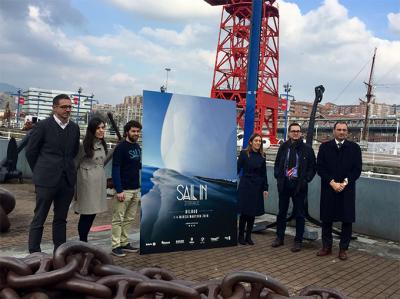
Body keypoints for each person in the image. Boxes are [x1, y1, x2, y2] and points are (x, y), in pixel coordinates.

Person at [26, 94, 80, 253]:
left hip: (67, 181)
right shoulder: (43, 126)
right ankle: (34, 252)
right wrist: (40, 171)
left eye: (69, 107)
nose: (67, 110)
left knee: (61, 219)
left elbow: (74, 152)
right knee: (39, 217)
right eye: (64, 107)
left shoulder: (74, 128)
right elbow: (31, 152)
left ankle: (60, 250)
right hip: (46, 180)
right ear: (54, 108)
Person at [316, 122, 362, 260]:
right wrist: (332, 182)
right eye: (339, 129)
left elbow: (357, 169)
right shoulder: (325, 147)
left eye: (344, 130)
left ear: (347, 132)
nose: (342, 132)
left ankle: (343, 249)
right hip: (329, 188)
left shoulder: (354, 148)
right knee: (326, 219)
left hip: (346, 189)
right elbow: (320, 168)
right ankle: (326, 247)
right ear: (334, 131)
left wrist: (345, 182)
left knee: (347, 220)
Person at [271, 123, 316, 252]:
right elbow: (278, 162)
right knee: (281, 213)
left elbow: (313, 167)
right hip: (285, 183)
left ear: (300, 133)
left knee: (300, 214)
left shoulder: (307, 149)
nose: (295, 133)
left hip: (299, 185)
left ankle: (298, 241)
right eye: (293, 131)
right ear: (289, 133)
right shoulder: (284, 147)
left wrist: (306, 180)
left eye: (298, 131)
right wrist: (277, 175)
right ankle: (279, 238)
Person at [74, 117, 108, 242]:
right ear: (92, 129)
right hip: (86, 183)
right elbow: (75, 164)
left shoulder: (102, 144)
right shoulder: (85, 145)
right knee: (86, 213)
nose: (101, 130)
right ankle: (83, 240)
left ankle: (84, 240)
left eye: (103, 128)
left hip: (98, 183)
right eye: (98, 128)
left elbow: (103, 161)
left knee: (92, 213)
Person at [111, 120, 142, 257]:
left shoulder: (137, 147)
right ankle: (115, 245)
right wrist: (119, 190)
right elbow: (115, 169)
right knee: (118, 219)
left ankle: (124, 242)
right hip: (124, 190)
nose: (136, 134)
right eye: (133, 131)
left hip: (136, 189)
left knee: (129, 218)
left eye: (137, 131)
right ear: (127, 132)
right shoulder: (121, 148)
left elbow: (137, 166)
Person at [237, 133, 268, 246]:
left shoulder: (263, 155)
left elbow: (264, 173)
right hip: (246, 185)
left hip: (257, 186)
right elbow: (237, 168)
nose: (258, 143)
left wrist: (265, 188)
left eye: (260, 141)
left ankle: (248, 236)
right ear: (251, 142)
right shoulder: (244, 154)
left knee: (252, 213)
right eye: (256, 141)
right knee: (244, 213)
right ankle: (240, 236)